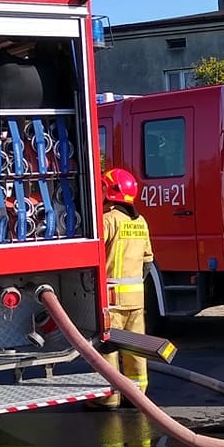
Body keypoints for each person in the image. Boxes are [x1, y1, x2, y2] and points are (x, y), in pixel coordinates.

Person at [89, 167, 154, 409]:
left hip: (112, 299)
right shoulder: (141, 221)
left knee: (107, 348)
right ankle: (137, 394)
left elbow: (92, 257)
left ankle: (108, 397)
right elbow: (148, 260)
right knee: (136, 347)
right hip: (137, 299)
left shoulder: (107, 220)